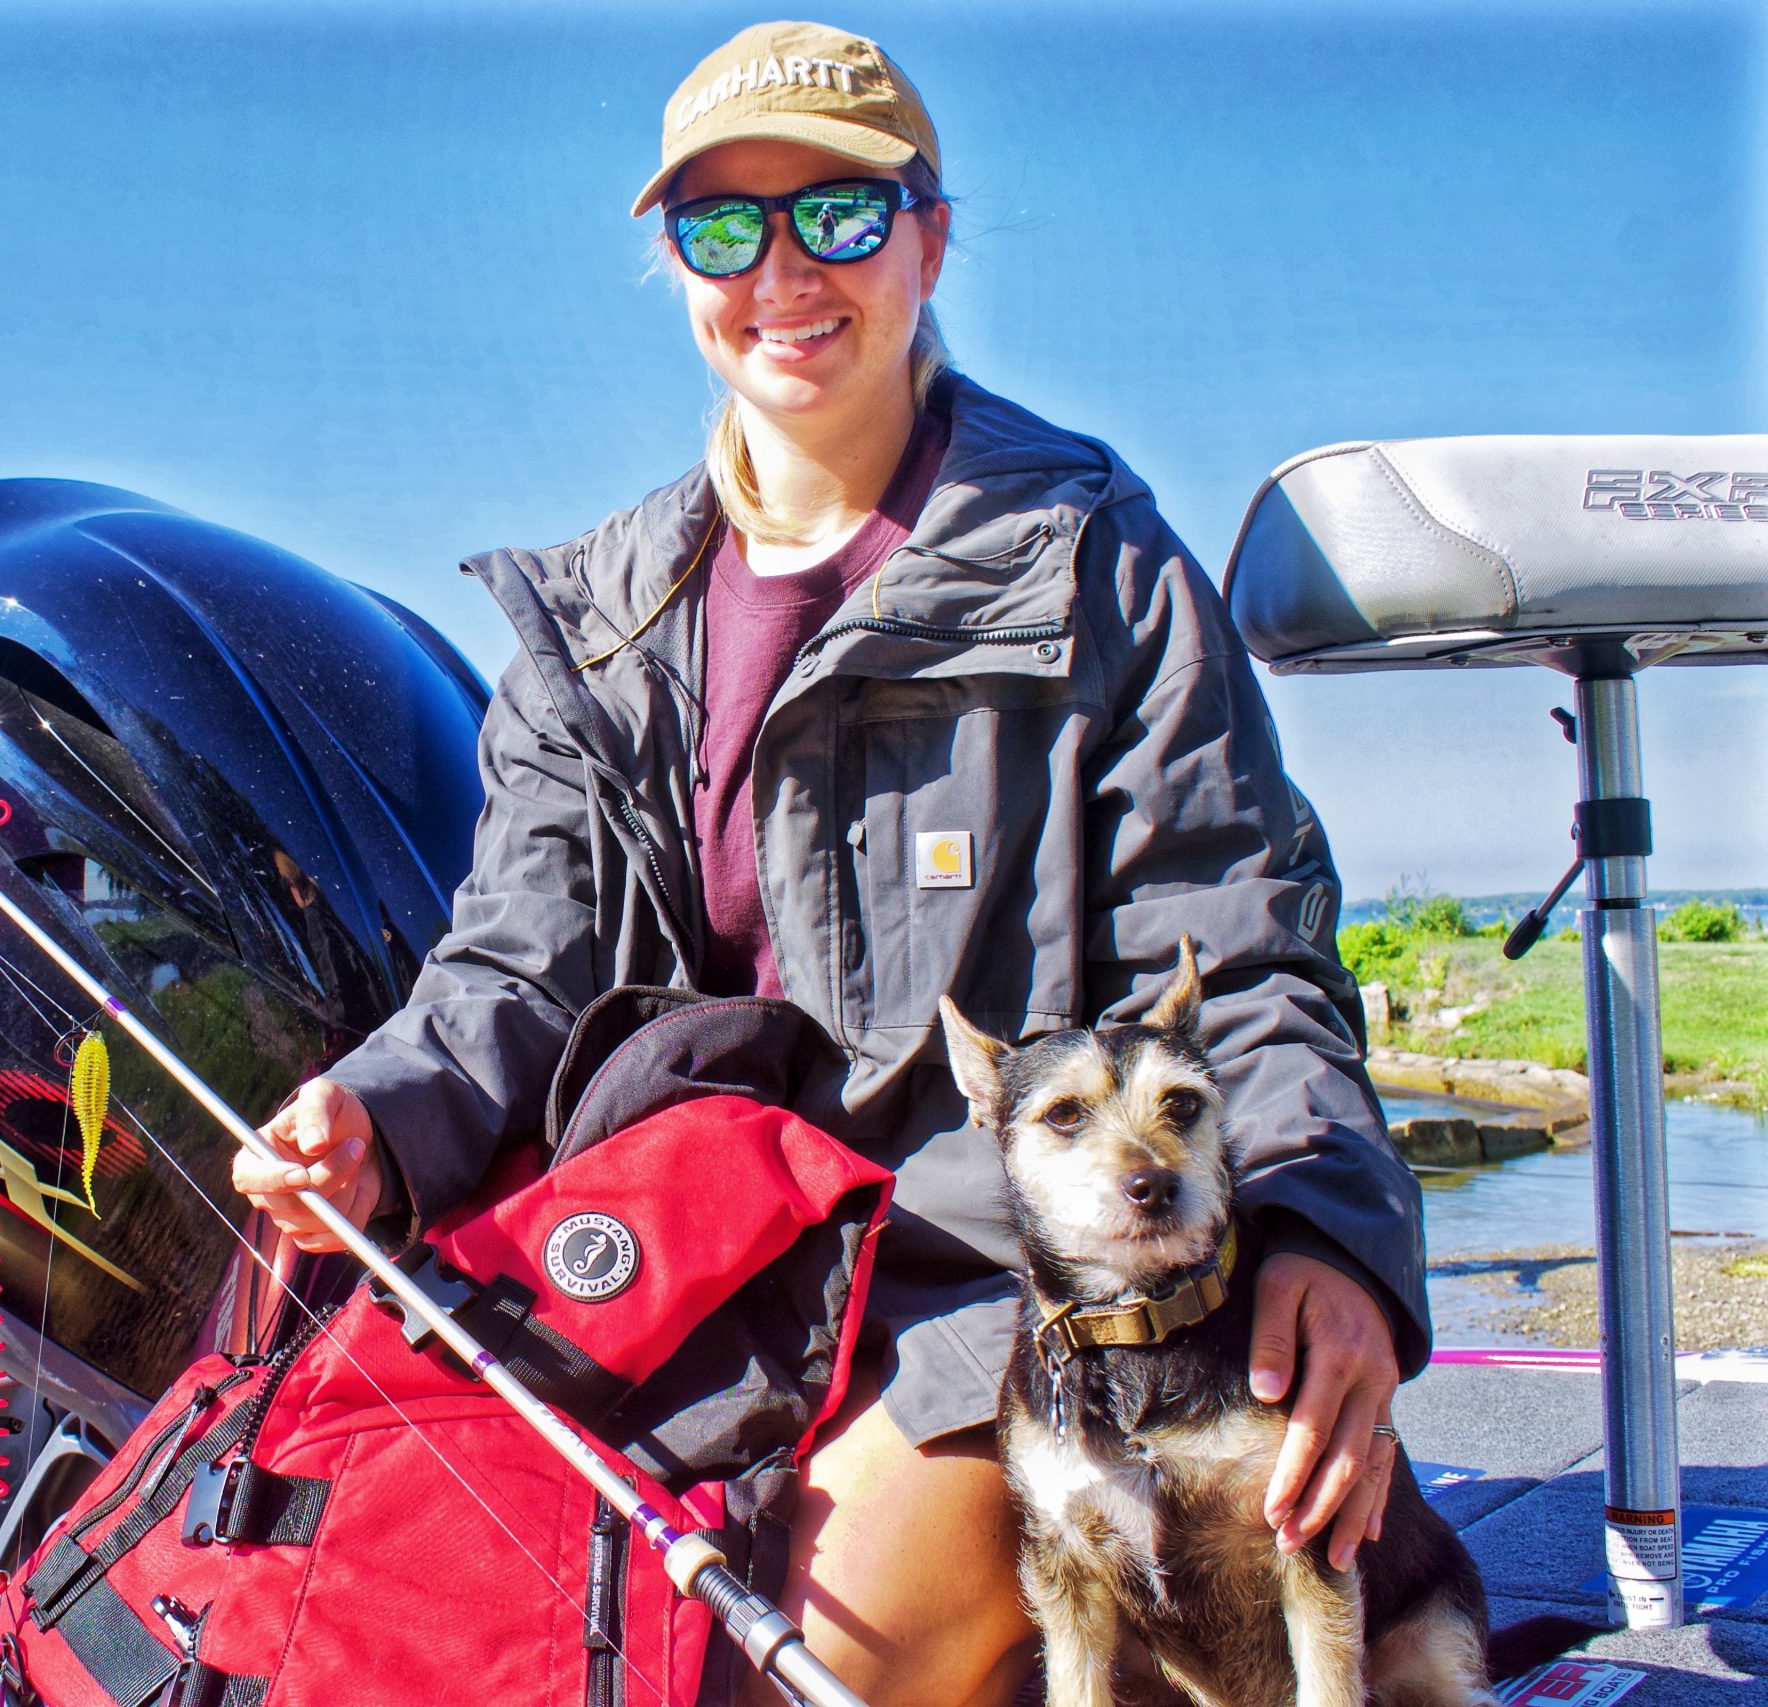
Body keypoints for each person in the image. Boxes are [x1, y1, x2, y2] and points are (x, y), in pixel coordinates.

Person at [234, 22, 1426, 1707]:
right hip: (696, 1273)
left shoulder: (1100, 562)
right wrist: (373, 1116)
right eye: (723, 225)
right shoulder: (596, 622)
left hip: (1001, 1294)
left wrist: (1326, 1231)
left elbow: (1233, 945)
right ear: (676, 266)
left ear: (930, 238)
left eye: (842, 215)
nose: (782, 271)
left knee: (780, 1666)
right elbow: (513, 964)